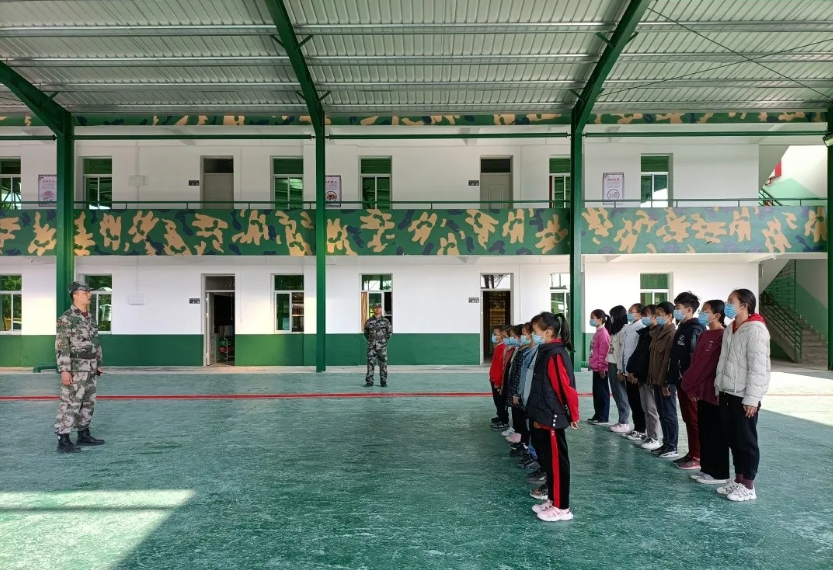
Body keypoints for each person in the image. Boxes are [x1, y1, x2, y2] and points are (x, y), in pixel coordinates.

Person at [713, 289, 771, 502]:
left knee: (746, 441)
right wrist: (719, 387)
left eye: (731, 301)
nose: (727, 305)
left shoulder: (756, 330)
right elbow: (723, 361)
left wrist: (752, 398)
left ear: (744, 305)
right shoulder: (731, 328)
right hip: (727, 391)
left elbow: (759, 368)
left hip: (744, 395)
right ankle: (738, 480)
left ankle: (748, 485)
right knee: (733, 438)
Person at [526, 312, 579, 522]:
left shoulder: (555, 354)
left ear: (548, 332)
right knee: (549, 461)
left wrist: (572, 415)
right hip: (544, 414)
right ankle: (553, 499)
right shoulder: (546, 351)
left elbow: (564, 388)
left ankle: (562, 507)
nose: (533, 335)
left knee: (558, 463)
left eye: (535, 331)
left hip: (553, 417)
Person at [682, 300, 730, 486]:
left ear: (717, 315)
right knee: (705, 431)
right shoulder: (705, 334)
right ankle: (707, 468)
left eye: (706, 311)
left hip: (713, 392)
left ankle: (719, 472)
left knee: (716, 433)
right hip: (701, 391)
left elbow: (707, 364)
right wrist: (693, 387)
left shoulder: (722, 335)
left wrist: (688, 383)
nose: (702, 314)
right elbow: (695, 362)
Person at [54, 281, 105, 453]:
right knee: (70, 402)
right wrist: (64, 370)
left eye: (89, 292)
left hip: (90, 367)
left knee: (88, 402)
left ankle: (83, 433)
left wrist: (98, 363)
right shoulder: (66, 318)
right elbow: (62, 346)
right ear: (75, 295)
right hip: (75, 368)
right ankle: (63, 439)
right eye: (85, 292)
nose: (89, 295)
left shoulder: (90, 317)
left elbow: (96, 341)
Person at [667, 291, 705, 470]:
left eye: (678, 307)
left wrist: (692, 384)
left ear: (689, 310)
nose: (675, 310)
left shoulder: (695, 329)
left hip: (690, 385)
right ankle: (692, 453)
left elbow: (695, 360)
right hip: (680, 382)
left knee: (695, 419)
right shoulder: (682, 327)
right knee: (688, 419)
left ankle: (698, 456)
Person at [627, 305, 662, 451]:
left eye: (646, 315)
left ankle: (654, 438)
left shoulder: (659, 333)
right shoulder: (645, 333)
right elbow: (638, 353)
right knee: (645, 408)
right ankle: (648, 435)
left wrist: (638, 373)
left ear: (654, 316)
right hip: (641, 376)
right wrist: (631, 370)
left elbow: (649, 358)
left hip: (649, 376)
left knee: (652, 409)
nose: (644, 318)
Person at [648, 301, 679, 458]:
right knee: (662, 412)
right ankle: (666, 443)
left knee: (669, 413)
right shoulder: (659, 332)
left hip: (665, 382)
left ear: (669, 316)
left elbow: (667, 360)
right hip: (656, 379)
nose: (657, 317)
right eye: (656, 314)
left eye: (659, 315)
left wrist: (665, 382)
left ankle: (672, 445)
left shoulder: (671, 334)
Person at [621, 303, 646, 441]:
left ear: (640, 314)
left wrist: (634, 372)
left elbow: (638, 353)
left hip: (634, 372)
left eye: (632, 311)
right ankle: (637, 427)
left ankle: (641, 429)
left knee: (638, 402)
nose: (629, 314)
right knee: (632, 401)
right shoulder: (629, 327)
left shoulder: (641, 328)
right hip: (627, 369)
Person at [606, 305, 632, 434]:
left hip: (617, 366)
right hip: (611, 364)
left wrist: (620, 369)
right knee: (616, 393)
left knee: (621, 394)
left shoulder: (624, 331)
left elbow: (623, 351)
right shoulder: (615, 330)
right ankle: (621, 420)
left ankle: (624, 422)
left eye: (612, 315)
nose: (610, 318)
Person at [587, 310, 611, 426]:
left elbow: (603, 352)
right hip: (596, 368)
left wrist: (602, 367)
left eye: (593, 318)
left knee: (602, 393)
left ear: (600, 319)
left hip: (601, 369)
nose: (591, 320)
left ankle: (603, 417)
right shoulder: (598, 333)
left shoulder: (603, 333)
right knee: (597, 393)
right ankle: (598, 415)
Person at [363, 303, 392, 387]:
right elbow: (366, 333)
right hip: (371, 347)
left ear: (381, 309)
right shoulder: (369, 321)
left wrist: (383, 341)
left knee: (383, 364)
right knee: (370, 363)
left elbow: (389, 333)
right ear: (373, 309)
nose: (377, 309)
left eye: (379, 307)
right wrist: (371, 341)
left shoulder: (386, 321)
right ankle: (369, 382)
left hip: (382, 347)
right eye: (375, 307)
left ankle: (383, 381)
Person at [489, 325, 510, 430]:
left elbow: (501, 367)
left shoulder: (502, 348)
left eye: (495, 334)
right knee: (497, 401)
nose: (493, 336)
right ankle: (500, 416)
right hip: (494, 379)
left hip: (498, 381)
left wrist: (498, 382)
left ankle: (504, 420)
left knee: (500, 401)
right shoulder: (498, 347)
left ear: (502, 336)